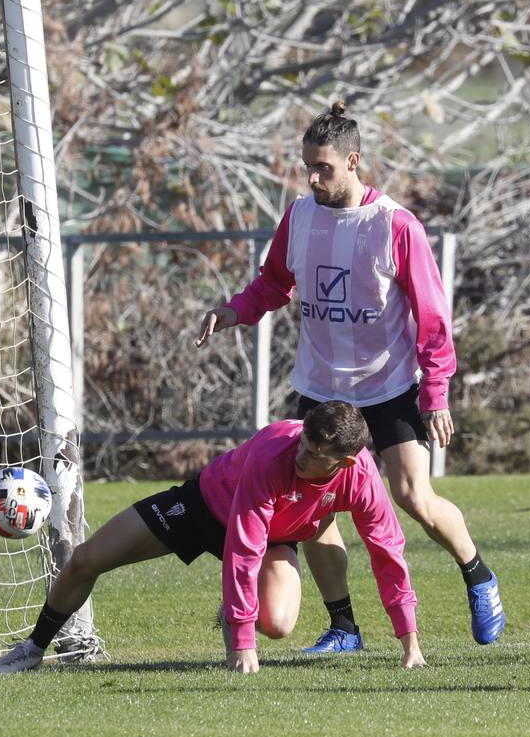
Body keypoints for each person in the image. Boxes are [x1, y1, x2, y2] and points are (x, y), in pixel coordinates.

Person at [195, 102, 503, 654]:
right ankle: (344, 627)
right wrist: (232, 311)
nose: (312, 178)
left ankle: (478, 575)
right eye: (307, 167)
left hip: (388, 387)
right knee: (314, 508)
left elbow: (433, 319)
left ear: (353, 161)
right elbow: (272, 285)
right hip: (320, 386)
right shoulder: (299, 216)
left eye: (324, 168)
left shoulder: (395, 224)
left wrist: (435, 395)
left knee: (413, 494)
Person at [0, 401, 425, 673]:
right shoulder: (276, 450)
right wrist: (240, 645)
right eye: (303, 444)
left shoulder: (361, 480)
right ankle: (33, 649)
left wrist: (410, 642)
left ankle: (239, 606)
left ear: (345, 463)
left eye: (314, 456)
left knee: (279, 624)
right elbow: (241, 549)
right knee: (86, 559)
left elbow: (387, 552)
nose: (301, 456)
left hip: (274, 538)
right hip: (203, 506)